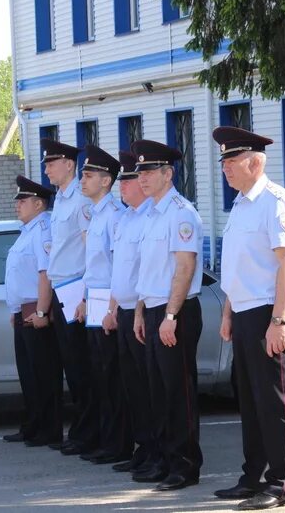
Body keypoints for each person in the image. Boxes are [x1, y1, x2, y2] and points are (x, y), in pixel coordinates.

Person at [212, 126, 285, 510]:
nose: (226, 169)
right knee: (249, 400)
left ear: (255, 162)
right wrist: (229, 311)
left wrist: (279, 321)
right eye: (224, 162)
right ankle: (253, 476)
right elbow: (238, 266)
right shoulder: (241, 204)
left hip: (270, 310)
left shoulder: (275, 202)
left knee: (275, 401)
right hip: (245, 310)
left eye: (232, 161)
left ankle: (282, 482)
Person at [131, 139, 204, 492]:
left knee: (179, 392)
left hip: (177, 311)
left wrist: (171, 316)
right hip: (154, 308)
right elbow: (150, 270)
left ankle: (184, 465)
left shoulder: (181, 212)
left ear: (167, 174)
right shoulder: (150, 214)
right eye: (139, 172)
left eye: (148, 172)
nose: (141, 178)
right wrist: (142, 311)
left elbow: (184, 267)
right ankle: (162, 458)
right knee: (157, 392)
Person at [73, 145, 130, 465]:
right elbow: (91, 267)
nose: (83, 179)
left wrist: (111, 309)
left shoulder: (114, 216)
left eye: (89, 174)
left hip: (108, 304)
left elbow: (116, 269)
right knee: (99, 377)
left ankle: (118, 444)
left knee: (112, 378)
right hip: (94, 302)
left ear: (106, 181)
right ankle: (105, 440)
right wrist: (83, 300)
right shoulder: (95, 214)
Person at [42, 138, 98, 456]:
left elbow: (92, 251)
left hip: (77, 289)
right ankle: (81, 429)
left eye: (52, 163)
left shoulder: (81, 201)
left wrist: (87, 296)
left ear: (68, 165)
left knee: (82, 366)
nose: (47, 169)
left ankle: (88, 431)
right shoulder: (61, 200)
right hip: (61, 288)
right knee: (71, 366)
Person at [106, 150, 158, 475]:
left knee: (149, 387)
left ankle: (156, 450)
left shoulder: (150, 217)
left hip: (142, 312)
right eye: (123, 180)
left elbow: (146, 272)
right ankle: (142, 448)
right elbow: (118, 273)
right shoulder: (125, 219)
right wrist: (112, 309)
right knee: (133, 388)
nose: (123, 186)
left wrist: (136, 310)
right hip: (123, 312)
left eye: (129, 180)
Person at [2, 175, 62, 447]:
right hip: (22, 311)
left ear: (39, 204)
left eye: (23, 201)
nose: (18, 206)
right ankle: (33, 425)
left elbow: (44, 274)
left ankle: (49, 429)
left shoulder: (43, 230)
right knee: (28, 373)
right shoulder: (26, 232)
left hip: (36, 311)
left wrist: (41, 311)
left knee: (44, 373)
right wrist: (15, 311)